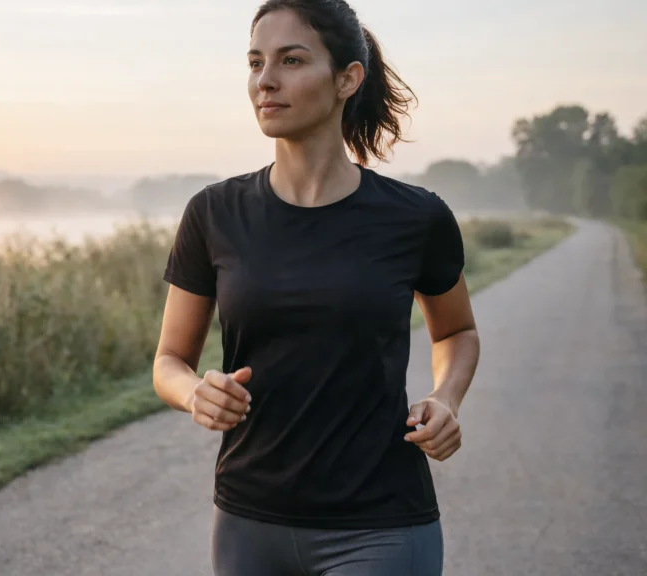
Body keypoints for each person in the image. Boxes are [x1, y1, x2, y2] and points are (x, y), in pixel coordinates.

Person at [151, 1, 480, 574]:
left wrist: (445, 397)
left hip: (382, 522)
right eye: (255, 62)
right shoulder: (213, 213)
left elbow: (456, 330)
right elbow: (169, 361)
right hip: (249, 520)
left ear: (347, 78)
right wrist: (194, 393)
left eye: (291, 60)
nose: (265, 80)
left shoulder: (415, 218)